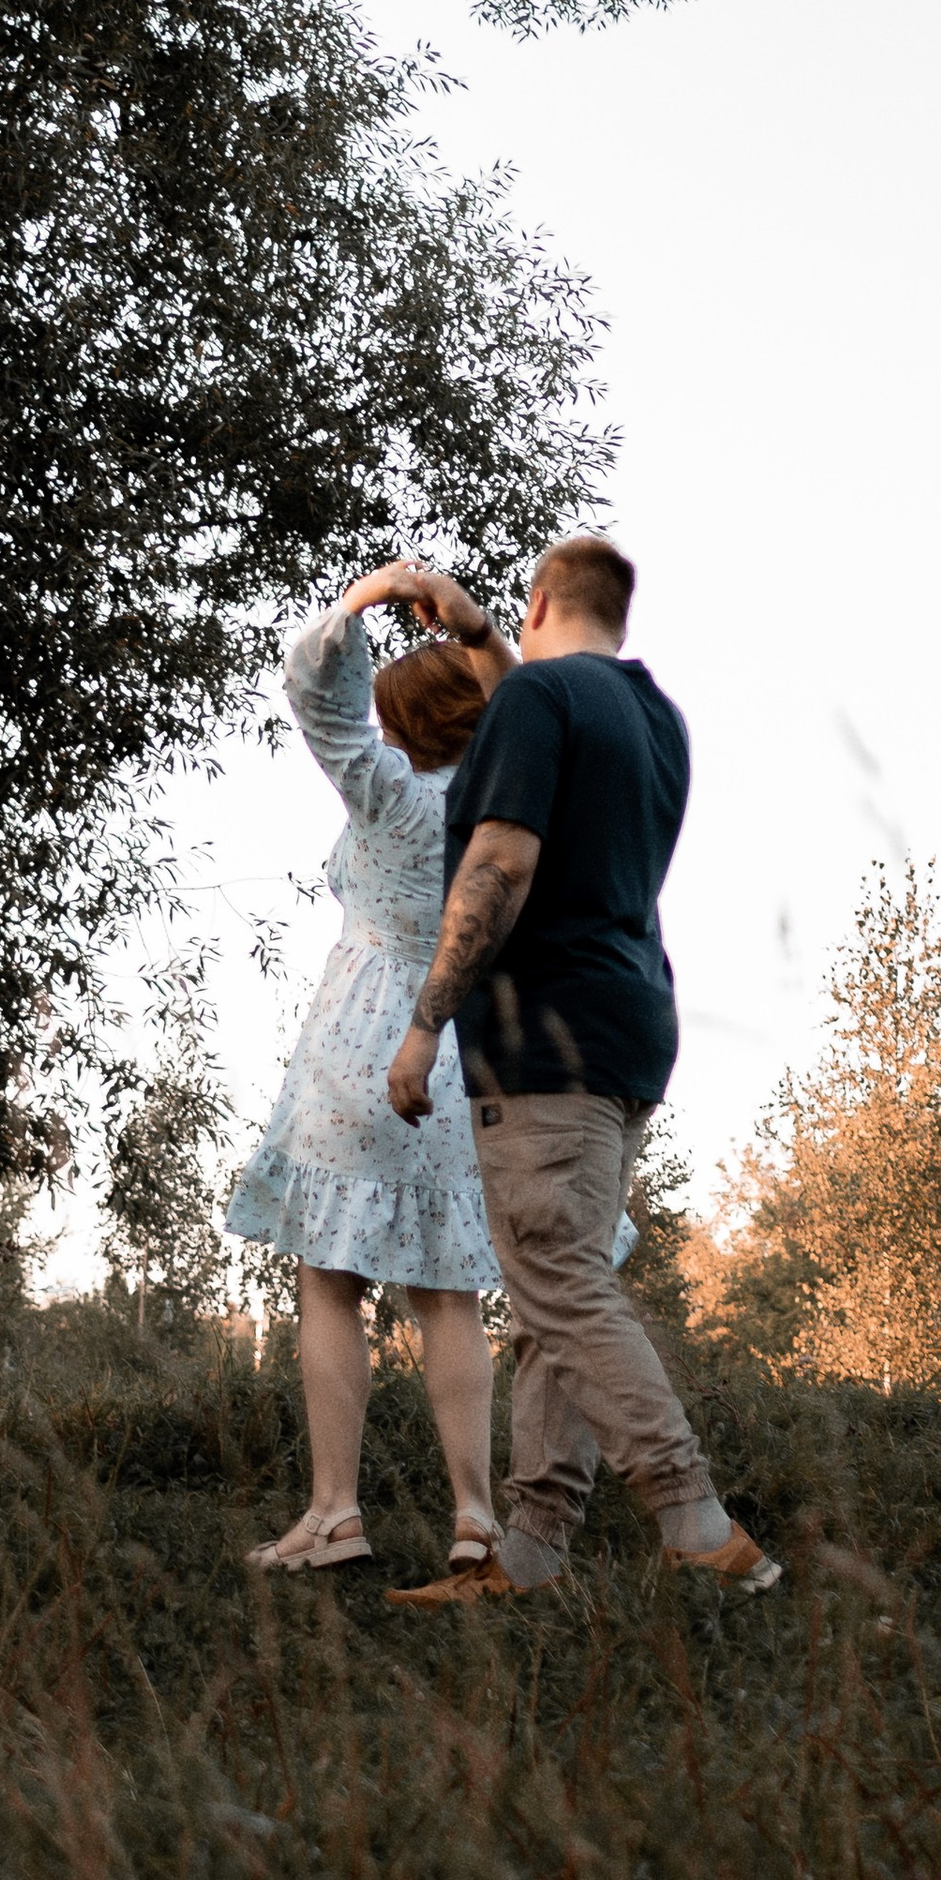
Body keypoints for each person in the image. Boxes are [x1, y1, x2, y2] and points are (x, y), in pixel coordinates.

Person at [382, 535, 781, 1604]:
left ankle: (695, 1518)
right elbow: (535, 702)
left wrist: (427, 1023)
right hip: (629, 1023)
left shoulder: (536, 705)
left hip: (542, 1028)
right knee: (552, 1294)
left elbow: (501, 861)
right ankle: (531, 1554)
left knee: (558, 1281)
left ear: (541, 597)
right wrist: (474, 635)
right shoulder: (650, 718)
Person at [224, 560, 521, 1577]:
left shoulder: (388, 794)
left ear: (406, 724)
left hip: (362, 1045)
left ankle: (335, 1513)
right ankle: (477, 1519)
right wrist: (478, 630)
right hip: (460, 1047)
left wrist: (362, 599)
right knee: (449, 1295)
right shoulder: (505, 806)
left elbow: (315, 692)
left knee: (327, 1279)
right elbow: (517, 691)